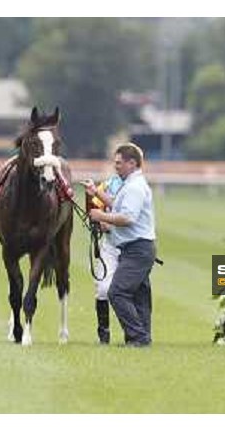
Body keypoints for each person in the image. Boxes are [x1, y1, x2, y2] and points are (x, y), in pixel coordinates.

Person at [89, 143, 156, 347]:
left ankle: (138, 337)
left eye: (119, 163)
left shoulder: (134, 187)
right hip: (140, 248)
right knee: (140, 296)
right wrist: (95, 192)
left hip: (136, 249)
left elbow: (127, 218)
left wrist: (101, 215)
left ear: (132, 163)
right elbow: (118, 204)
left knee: (117, 292)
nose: (115, 166)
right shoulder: (131, 184)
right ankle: (141, 338)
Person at [82, 172, 124, 344]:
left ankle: (135, 333)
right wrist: (99, 223)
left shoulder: (138, 187)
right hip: (109, 245)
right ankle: (103, 334)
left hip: (132, 246)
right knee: (103, 289)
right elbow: (93, 210)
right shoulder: (107, 185)